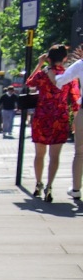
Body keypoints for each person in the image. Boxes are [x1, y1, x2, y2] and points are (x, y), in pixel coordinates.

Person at [25, 44, 80, 202]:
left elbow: (29, 82)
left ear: (48, 58)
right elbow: (75, 99)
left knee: (39, 154)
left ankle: (38, 183)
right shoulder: (69, 76)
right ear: (64, 58)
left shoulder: (42, 75)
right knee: (55, 156)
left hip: (42, 116)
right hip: (60, 118)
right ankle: (49, 186)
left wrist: (40, 63)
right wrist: (75, 119)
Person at [44, 45, 83, 205]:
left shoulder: (80, 64)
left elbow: (60, 81)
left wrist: (48, 71)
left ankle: (76, 189)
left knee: (80, 153)